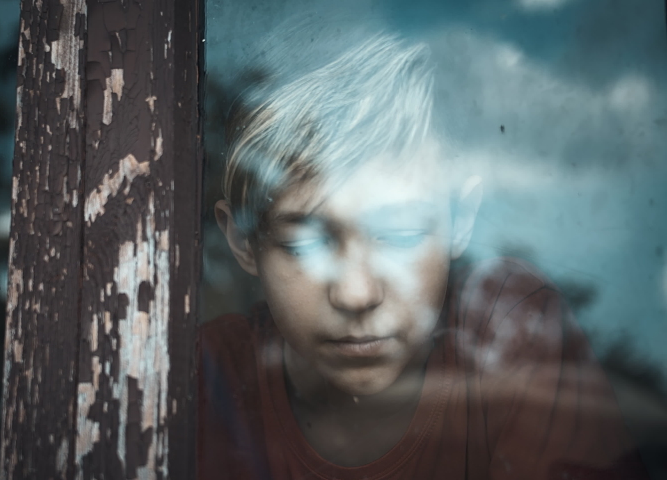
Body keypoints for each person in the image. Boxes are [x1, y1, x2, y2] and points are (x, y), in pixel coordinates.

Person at [197, 15, 648, 480]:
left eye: (402, 236)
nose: (356, 294)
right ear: (241, 240)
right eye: (305, 241)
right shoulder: (207, 379)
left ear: (461, 220)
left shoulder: (508, 328)